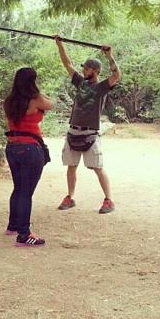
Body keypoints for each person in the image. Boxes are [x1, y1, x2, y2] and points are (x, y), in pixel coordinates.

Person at [54, 36, 120, 214]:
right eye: (84, 67)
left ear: (96, 71)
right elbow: (67, 64)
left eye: (87, 68)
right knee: (71, 166)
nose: (84, 70)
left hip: (91, 133)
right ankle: (70, 196)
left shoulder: (102, 87)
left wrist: (109, 56)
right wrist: (60, 45)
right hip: (73, 131)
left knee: (98, 168)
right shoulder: (80, 83)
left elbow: (116, 75)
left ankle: (109, 200)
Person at [4, 67, 54, 247]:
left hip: (12, 146)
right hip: (30, 148)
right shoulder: (36, 99)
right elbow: (52, 104)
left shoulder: (9, 101)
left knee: (18, 188)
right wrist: (38, 90)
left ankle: (13, 225)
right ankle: (24, 234)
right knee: (26, 192)